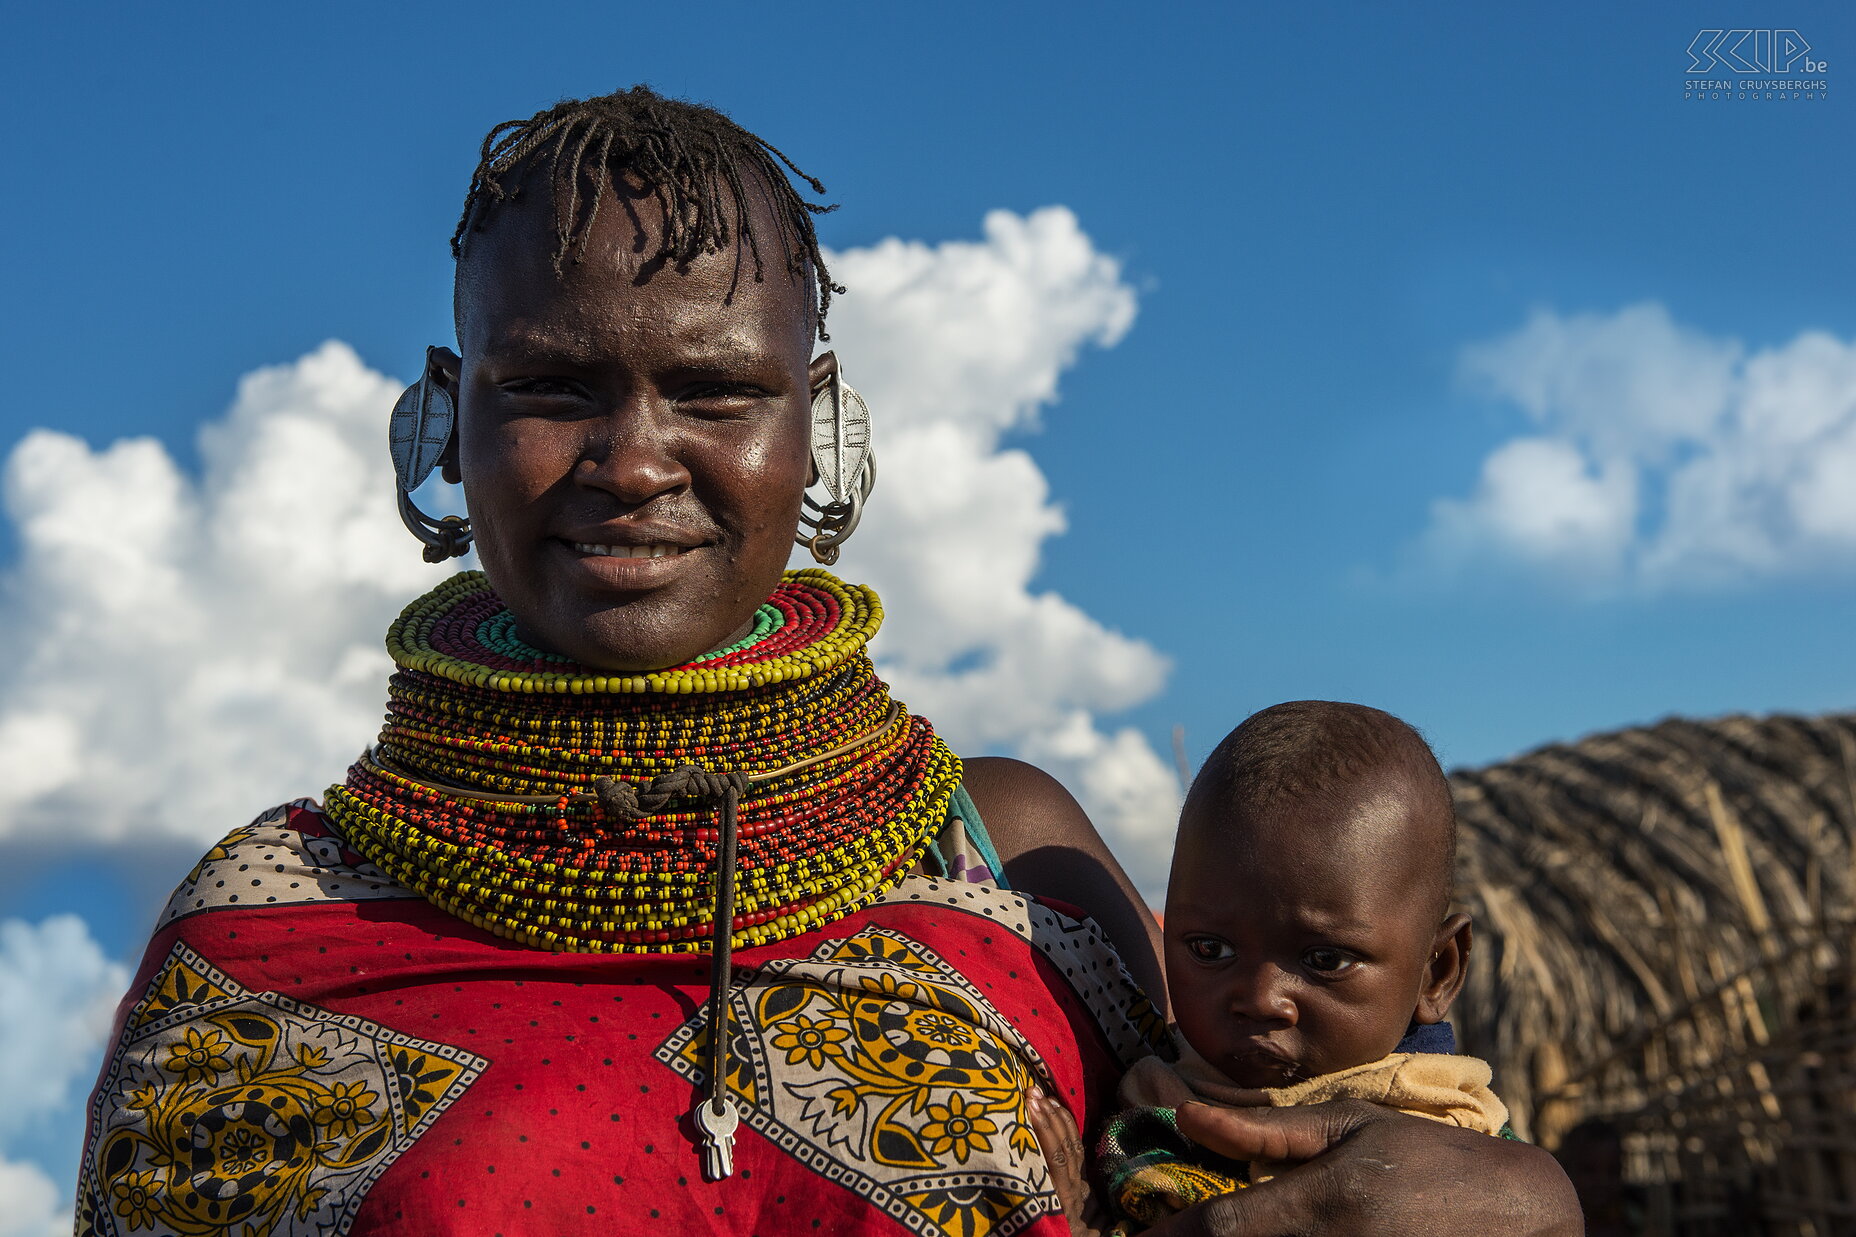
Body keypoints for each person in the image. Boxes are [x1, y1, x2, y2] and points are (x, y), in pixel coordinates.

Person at [76, 87, 1579, 1235]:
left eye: (716, 391)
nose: (633, 458)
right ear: (446, 423)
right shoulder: (262, 926)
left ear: (824, 429)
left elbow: (1288, 1133)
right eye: (551, 387)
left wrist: (1528, 1200)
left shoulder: (1010, 859)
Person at [1093, 701, 1510, 1229]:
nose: (1261, 999)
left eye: (1325, 960)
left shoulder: (1453, 1128)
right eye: (1210, 950)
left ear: (1438, 972)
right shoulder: (1152, 1106)